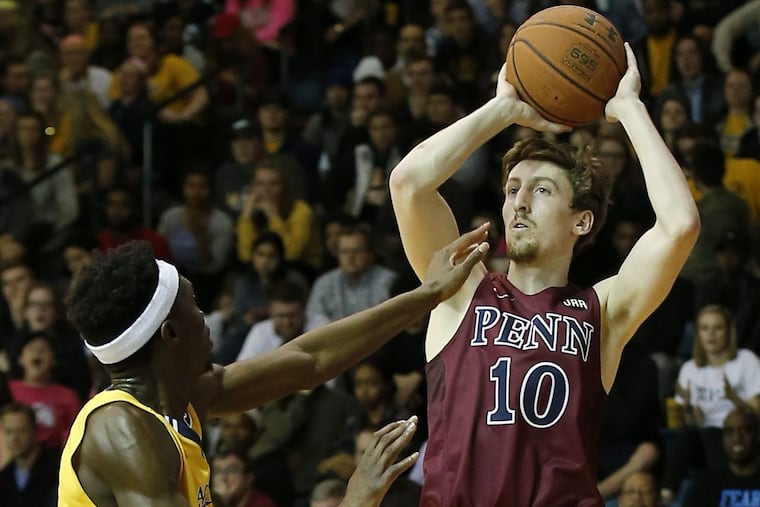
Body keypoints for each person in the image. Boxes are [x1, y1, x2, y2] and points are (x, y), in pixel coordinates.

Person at [389, 43, 700, 506]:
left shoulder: (601, 311)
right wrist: (501, 110)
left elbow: (679, 225)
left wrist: (629, 109)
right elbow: (408, 184)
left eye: (541, 189)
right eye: (512, 189)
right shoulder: (460, 288)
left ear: (582, 220)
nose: (519, 202)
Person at [58, 230, 489, 506]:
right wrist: (356, 499)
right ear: (170, 335)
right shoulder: (123, 431)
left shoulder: (182, 399)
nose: (206, 318)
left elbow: (308, 362)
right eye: (192, 303)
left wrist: (427, 295)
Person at [681, 407, 760, 507]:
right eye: (730, 432)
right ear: (723, 441)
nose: (737, 438)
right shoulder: (705, 484)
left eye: (745, 431)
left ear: (757, 437)